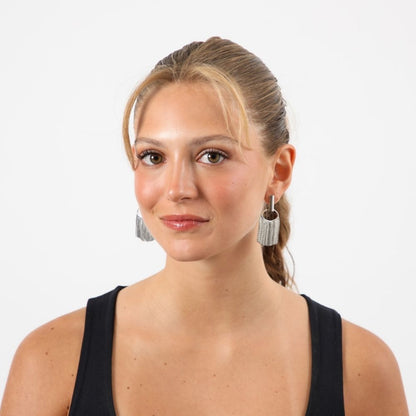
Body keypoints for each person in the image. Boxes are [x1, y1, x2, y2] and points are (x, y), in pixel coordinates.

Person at [0, 37, 408, 416]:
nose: (177, 189)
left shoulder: (363, 369)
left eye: (212, 156)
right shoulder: (52, 360)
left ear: (278, 171)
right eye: (154, 157)